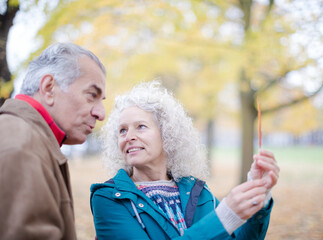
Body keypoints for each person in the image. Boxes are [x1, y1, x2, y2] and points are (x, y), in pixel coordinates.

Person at [90, 81, 279, 239]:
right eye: (122, 130)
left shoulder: (198, 191)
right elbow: (222, 223)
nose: (128, 136)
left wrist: (258, 194)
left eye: (140, 127)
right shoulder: (108, 199)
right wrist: (225, 216)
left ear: (167, 135)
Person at [0, 42, 106, 240]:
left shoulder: (30, 140)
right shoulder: (22, 146)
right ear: (49, 88)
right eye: (92, 95)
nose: (101, 113)